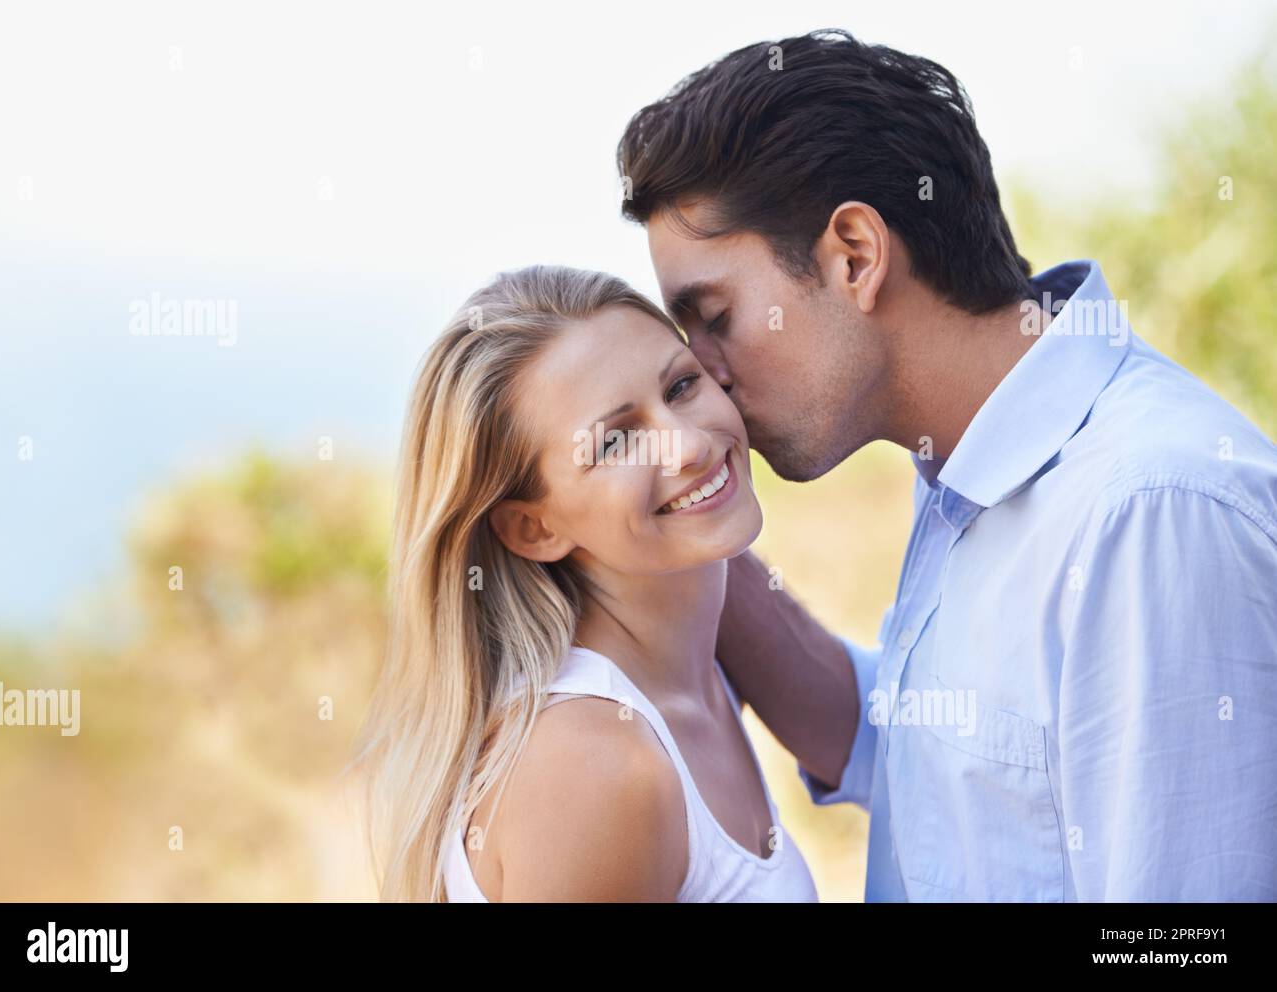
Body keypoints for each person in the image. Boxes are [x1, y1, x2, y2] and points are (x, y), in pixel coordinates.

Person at [616, 28, 1277, 900]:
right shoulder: (971, 463)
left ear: (854, 254)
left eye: (715, 317)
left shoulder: (1148, 510)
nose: (704, 372)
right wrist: (676, 518)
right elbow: (949, 763)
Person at [350, 264, 819, 902]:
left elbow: (872, 733)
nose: (685, 446)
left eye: (681, 385)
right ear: (533, 528)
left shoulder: (693, 655)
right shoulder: (594, 764)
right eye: (616, 441)